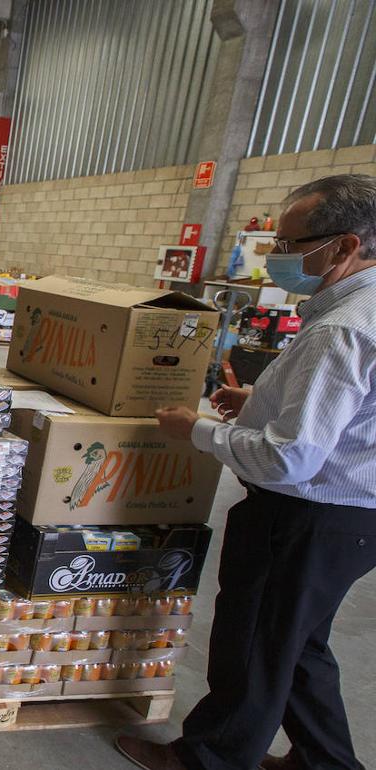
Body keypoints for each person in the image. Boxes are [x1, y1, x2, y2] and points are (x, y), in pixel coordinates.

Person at [117, 174, 376, 770]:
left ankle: (209, 759)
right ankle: (326, 762)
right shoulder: (356, 309)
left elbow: (293, 457)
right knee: (300, 645)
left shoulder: (342, 327)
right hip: (353, 515)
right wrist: (259, 402)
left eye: (288, 246)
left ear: (344, 247)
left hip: (305, 514)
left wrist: (198, 432)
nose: (275, 259)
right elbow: (348, 412)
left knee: (255, 645)